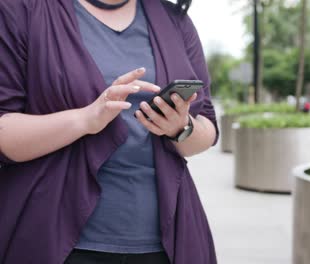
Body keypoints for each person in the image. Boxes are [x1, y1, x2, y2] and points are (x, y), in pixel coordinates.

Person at [0, 0, 219, 263]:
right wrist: (85, 119)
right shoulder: (20, 9)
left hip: (164, 244)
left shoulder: (175, 21)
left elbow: (207, 128)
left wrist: (180, 128)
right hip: (52, 238)